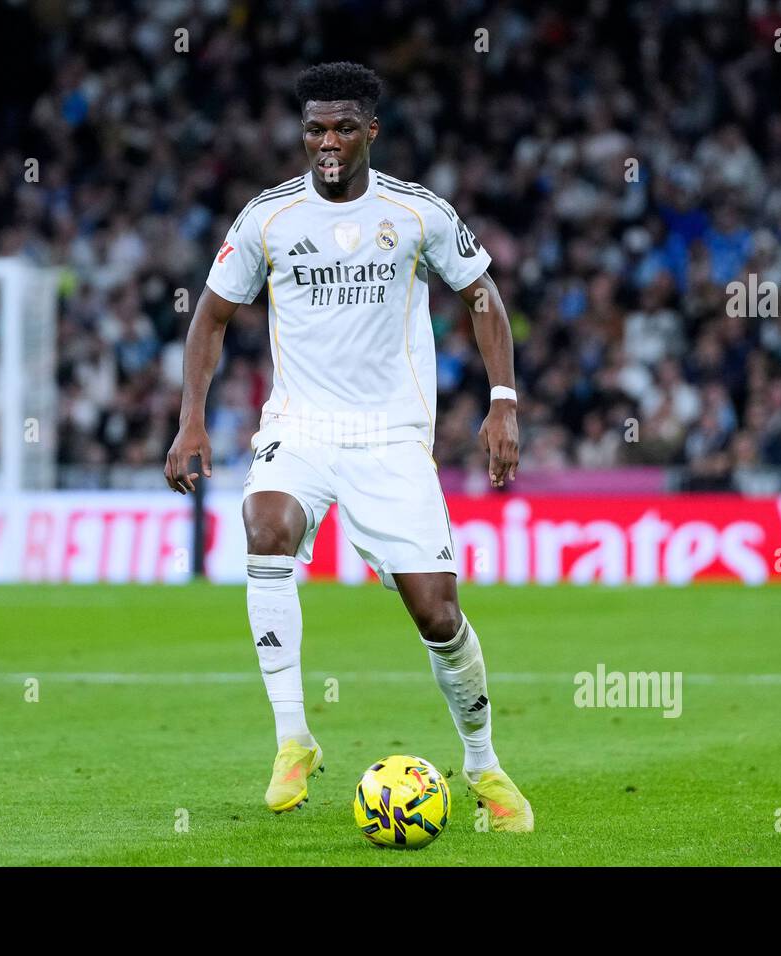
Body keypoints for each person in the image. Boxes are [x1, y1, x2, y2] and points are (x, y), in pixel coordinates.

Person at [165, 62, 532, 831]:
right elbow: (210, 316)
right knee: (265, 529)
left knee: (437, 616)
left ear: (372, 129)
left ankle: (485, 767)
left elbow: (481, 295)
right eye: (312, 128)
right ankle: (293, 737)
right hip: (298, 429)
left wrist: (503, 402)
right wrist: (191, 418)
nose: (325, 142)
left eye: (340, 127)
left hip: (391, 439)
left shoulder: (418, 212)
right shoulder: (267, 218)